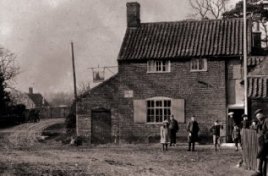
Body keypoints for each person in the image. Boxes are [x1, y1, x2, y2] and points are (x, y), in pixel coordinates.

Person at [252, 109, 268, 176]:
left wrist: (265, 136)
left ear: (262, 114)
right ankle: (261, 172)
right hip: (261, 142)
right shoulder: (260, 122)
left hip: (266, 142)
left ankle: (259, 171)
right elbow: (257, 129)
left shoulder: (266, 120)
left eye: (259, 115)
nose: (258, 117)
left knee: (259, 155)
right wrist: (254, 125)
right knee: (262, 157)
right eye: (257, 116)